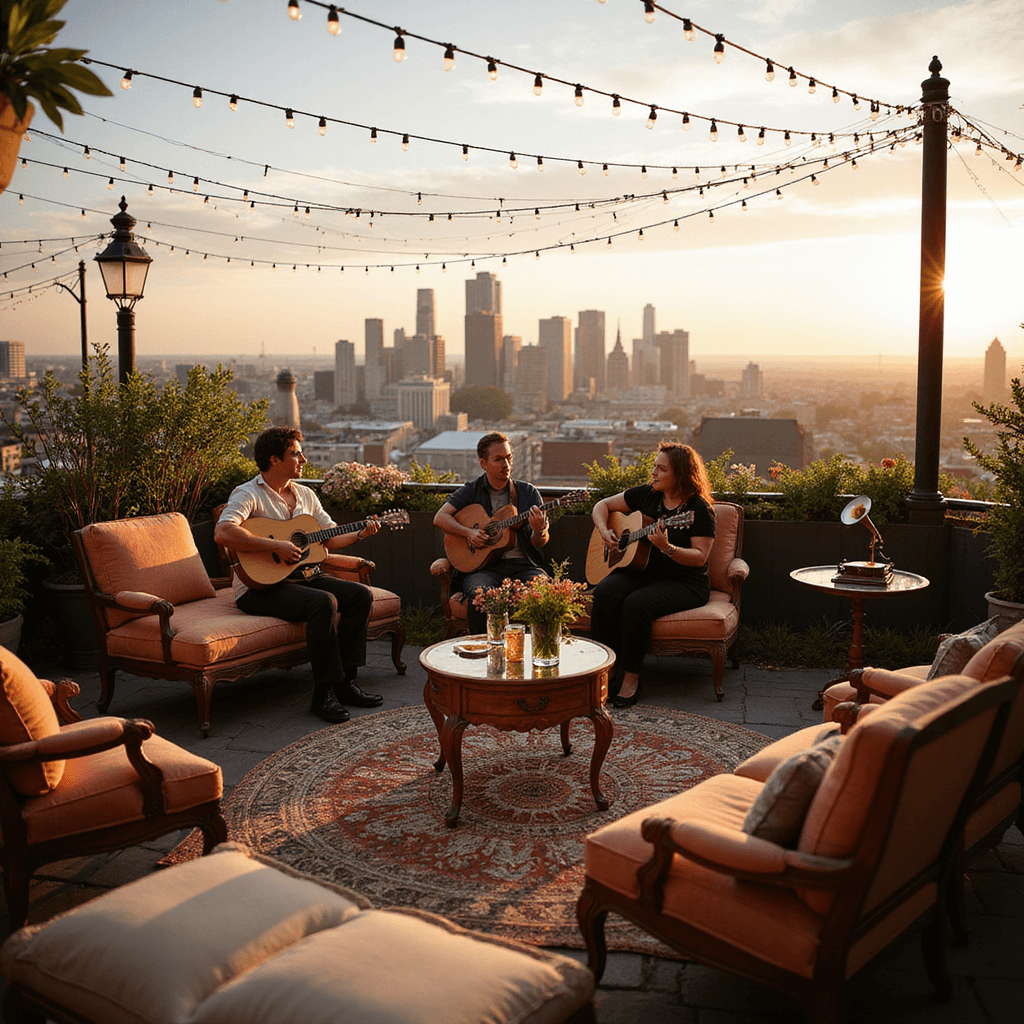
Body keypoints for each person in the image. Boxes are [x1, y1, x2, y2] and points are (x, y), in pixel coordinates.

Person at [215, 427, 383, 724]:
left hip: (304, 576)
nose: (303, 459)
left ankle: (346, 683)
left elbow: (330, 537)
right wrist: (275, 545)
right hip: (259, 588)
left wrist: (360, 532)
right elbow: (223, 532)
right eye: (296, 454)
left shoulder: (306, 494)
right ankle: (323, 694)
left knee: (359, 595)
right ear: (274, 460)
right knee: (323, 602)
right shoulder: (248, 493)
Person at [589, 442, 716, 708]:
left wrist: (667, 548)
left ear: (680, 474)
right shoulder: (647, 494)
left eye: (661, 469)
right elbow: (602, 505)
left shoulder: (698, 510)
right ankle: (605, 671)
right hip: (644, 572)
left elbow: (700, 557)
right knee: (605, 593)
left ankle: (631, 679)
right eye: (654, 467)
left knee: (637, 604)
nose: (654, 473)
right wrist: (604, 530)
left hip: (685, 581)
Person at [434, 432, 550, 635]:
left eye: (509, 457)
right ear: (483, 463)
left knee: (543, 591)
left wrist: (539, 529)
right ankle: (482, 648)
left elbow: (539, 543)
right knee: (481, 595)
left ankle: (538, 648)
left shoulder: (528, 492)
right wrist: (469, 533)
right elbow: (440, 517)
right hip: (483, 569)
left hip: (524, 566)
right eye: (498, 459)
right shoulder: (472, 490)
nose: (506, 464)